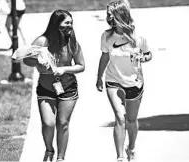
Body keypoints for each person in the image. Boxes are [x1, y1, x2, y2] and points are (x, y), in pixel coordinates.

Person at [22, 10, 85, 162]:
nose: (69, 26)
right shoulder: (43, 41)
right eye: (66, 23)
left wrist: (64, 69)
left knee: (62, 123)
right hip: (46, 87)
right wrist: (38, 62)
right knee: (48, 123)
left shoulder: (72, 41)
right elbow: (26, 60)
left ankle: (60, 158)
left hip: (68, 87)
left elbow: (81, 66)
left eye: (71, 23)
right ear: (56, 24)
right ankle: (49, 150)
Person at [96, 1, 152, 162]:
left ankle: (131, 147)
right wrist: (99, 77)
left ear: (121, 14)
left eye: (111, 14)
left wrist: (143, 57)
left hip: (134, 82)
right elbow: (105, 56)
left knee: (131, 120)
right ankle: (120, 157)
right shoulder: (106, 36)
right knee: (120, 117)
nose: (108, 17)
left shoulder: (138, 36)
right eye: (107, 14)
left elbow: (149, 54)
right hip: (113, 80)